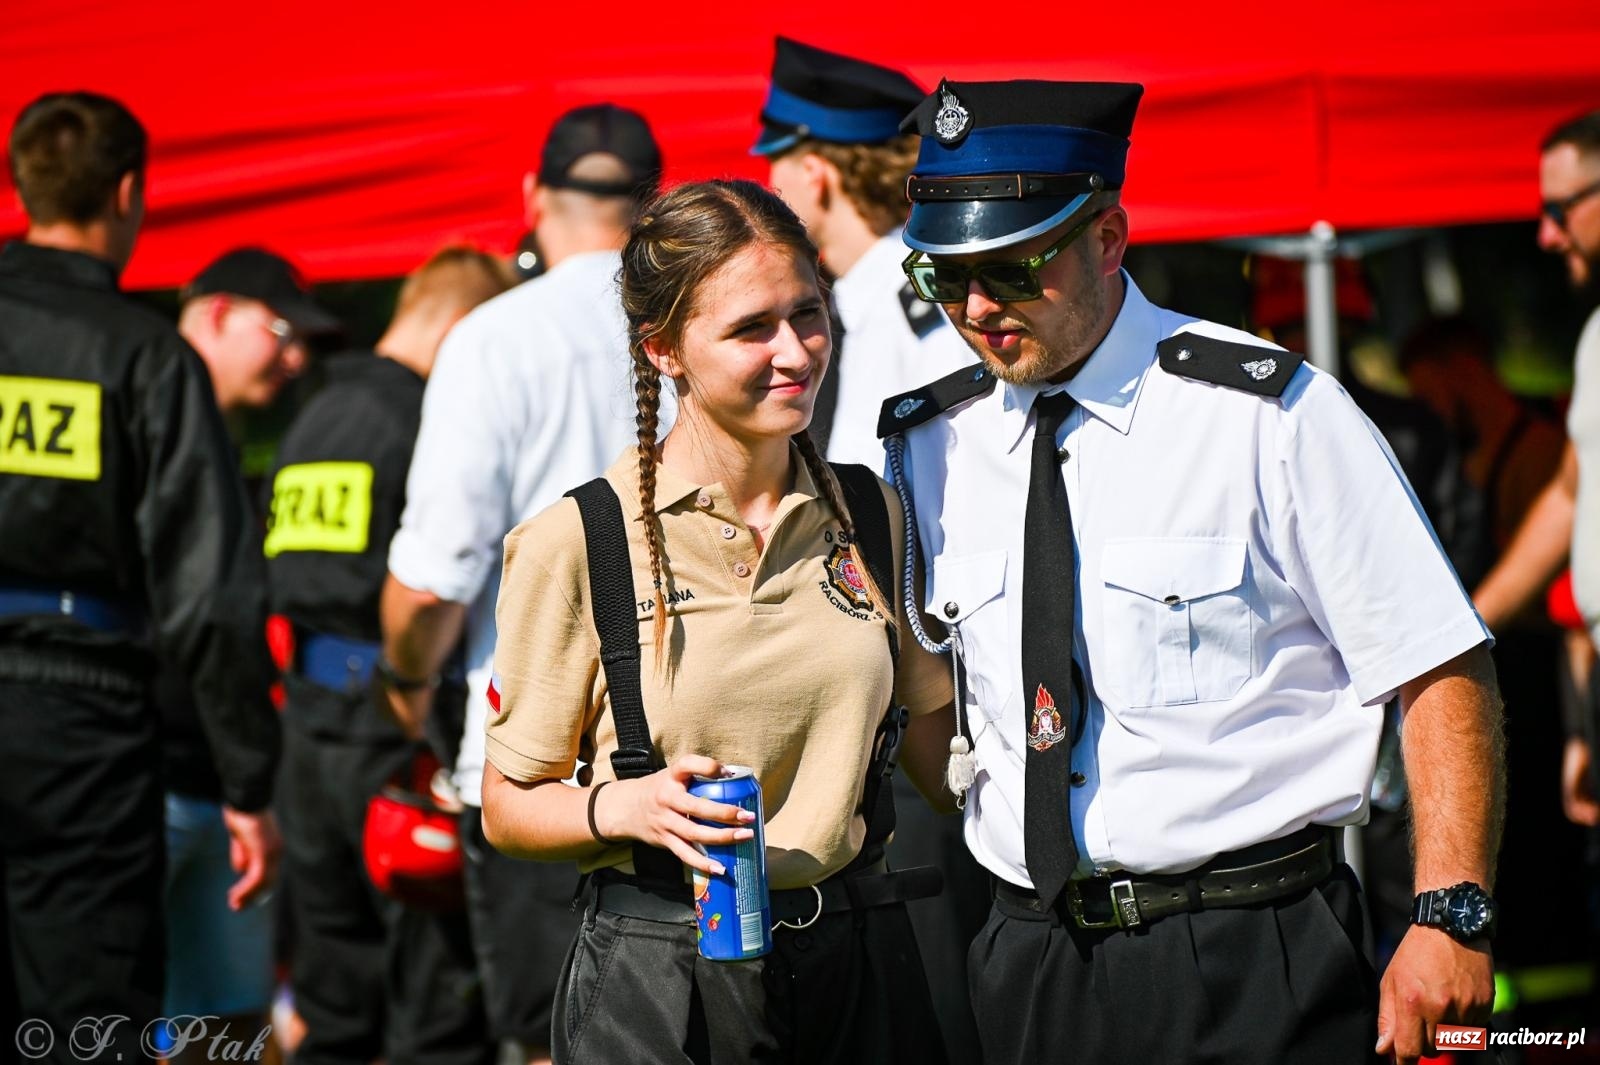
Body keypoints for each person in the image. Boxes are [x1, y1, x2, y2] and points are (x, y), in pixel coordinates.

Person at [878, 79, 1504, 1065]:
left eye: (1009, 268)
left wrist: (1448, 913)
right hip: (1031, 959)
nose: (976, 308)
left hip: (1246, 950)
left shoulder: (1265, 416)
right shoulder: (931, 446)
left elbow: (1437, 663)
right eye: (942, 278)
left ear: (1109, 235)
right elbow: (928, 691)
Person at [479, 177, 956, 1065]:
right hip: (663, 979)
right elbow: (507, 807)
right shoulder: (579, 541)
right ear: (663, 350)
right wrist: (627, 803)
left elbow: (943, 756)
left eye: (807, 314)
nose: (796, 351)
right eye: (751, 328)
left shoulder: (872, 510)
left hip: (857, 958)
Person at [381, 102, 664, 1064]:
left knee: (553, 1043)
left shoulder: (493, 338)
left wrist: (408, 684)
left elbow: (431, 579)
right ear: (653, 203)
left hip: (534, 761)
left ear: (535, 199)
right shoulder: (714, 324)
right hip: (702, 747)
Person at [0, 92, 280, 1062]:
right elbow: (210, 598)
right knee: (84, 1023)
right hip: (84, 723)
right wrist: (248, 782)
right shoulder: (147, 360)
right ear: (128, 194)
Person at [752, 37, 986, 1059]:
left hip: (932, 695)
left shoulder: (858, 309)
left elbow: (857, 539)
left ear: (810, 172)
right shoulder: (945, 277)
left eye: (773, 169)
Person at [266, 247, 514, 1065]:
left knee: (333, 1001)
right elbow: (434, 588)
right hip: (400, 724)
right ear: (461, 329)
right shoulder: (428, 420)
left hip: (306, 730)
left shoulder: (312, 415)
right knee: (435, 1003)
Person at [161, 246, 341, 1058]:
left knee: (230, 1022)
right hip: (129, 780)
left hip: (215, 788)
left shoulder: (221, 450)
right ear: (218, 313)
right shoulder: (145, 415)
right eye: (282, 332)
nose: (297, 357)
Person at [753, 37, 974, 466]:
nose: (769, 187)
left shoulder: (920, 301)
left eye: (776, 167)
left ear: (815, 175)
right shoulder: (865, 298)